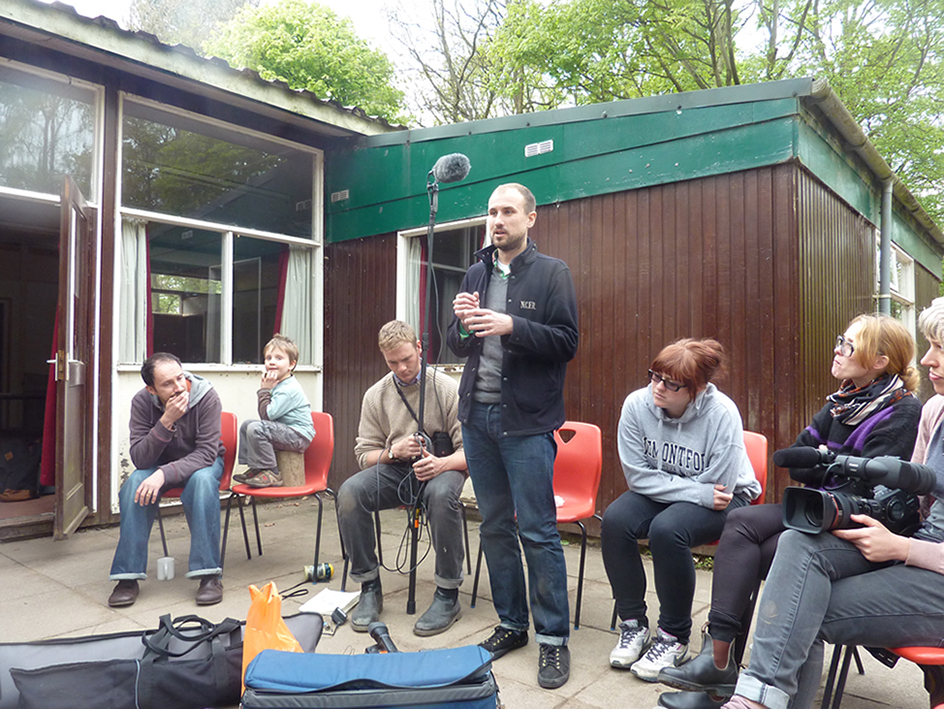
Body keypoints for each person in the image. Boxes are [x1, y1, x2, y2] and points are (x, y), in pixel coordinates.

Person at [657, 315, 922, 709]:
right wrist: (831, 462)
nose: (837, 350)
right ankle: (719, 662)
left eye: (848, 345)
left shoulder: (902, 412)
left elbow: (864, 488)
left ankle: (728, 684)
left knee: (763, 554)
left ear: (879, 361)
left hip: (860, 528)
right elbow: (796, 460)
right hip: (814, 509)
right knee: (740, 522)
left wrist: (823, 458)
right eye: (841, 340)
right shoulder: (843, 401)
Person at [715, 300, 944, 709]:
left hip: (930, 572)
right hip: (914, 554)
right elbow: (912, 499)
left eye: (940, 348)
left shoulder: (906, 410)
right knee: (795, 545)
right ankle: (751, 693)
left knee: (800, 608)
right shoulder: (935, 410)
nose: (927, 359)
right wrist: (893, 530)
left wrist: (902, 547)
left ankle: (750, 692)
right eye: (930, 345)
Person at [446, 182, 579, 690]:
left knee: (538, 532)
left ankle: (553, 639)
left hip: (525, 423)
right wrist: (462, 324)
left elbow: (567, 342)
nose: (497, 220)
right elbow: (457, 343)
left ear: (530, 219)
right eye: (491, 212)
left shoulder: (552, 273)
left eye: (507, 212)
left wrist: (512, 325)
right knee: (495, 526)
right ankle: (511, 624)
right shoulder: (476, 272)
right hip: (477, 420)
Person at [602, 339, 762, 684]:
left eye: (671, 383)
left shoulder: (722, 413)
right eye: (655, 376)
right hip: (682, 490)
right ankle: (633, 624)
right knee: (615, 520)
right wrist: (693, 491)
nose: (658, 387)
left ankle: (673, 636)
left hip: (728, 497)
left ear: (696, 389)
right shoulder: (636, 405)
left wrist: (693, 493)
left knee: (667, 529)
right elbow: (637, 476)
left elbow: (720, 487)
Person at [337, 320, 468, 637]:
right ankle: (369, 586)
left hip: (445, 466)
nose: (402, 368)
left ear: (419, 348)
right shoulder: (376, 395)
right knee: (350, 493)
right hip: (397, 469)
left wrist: (440, 464)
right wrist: (393, 452)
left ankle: (447, 594)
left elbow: (473, 453)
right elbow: (364, 455)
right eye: (393, 362)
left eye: (407, 359)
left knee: (440, 496)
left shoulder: (446, 388)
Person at [107, 352, 226, 608]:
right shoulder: (142, 402)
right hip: (159, 464)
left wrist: (163, 474)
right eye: (167, 384)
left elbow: (207, 453)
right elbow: (140, 458)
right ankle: (127, 577)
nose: (179, 387)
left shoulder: (206, 396)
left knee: (202, 482)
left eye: (180, 378)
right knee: (134, 484)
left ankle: (209, 576)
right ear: (151, 389)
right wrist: (166, 420)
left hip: (202, 463)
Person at [234, 334, 315, 488]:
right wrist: (266, 390)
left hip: (298, 435)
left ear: (291, 364)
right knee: (247, 425)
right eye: (268, 358)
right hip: (285, 431)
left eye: (279, 358)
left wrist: (264, 390)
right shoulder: (278, 384)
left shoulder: (289, 389)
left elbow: (267, 416)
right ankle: (256, 467)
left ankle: (272, 472)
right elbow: (266, 416)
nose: (272, 362)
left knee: (256, 428)